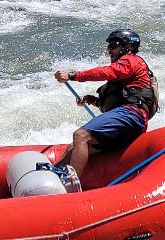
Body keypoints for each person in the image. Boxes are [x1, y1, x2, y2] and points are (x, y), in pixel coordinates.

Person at [53, 29, 159, 176]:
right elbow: (119, 100)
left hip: (132, 116)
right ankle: (53, 177)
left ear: (127, 47)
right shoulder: (126, 71)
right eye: (108, 46)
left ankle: (70, 182)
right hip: (128, 121)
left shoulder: (130, 60)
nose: (109, 51)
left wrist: (72, 75)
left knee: (80, 136)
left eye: (113, 45)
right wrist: (94, 101)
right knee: (74, 147)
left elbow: (107, 72)